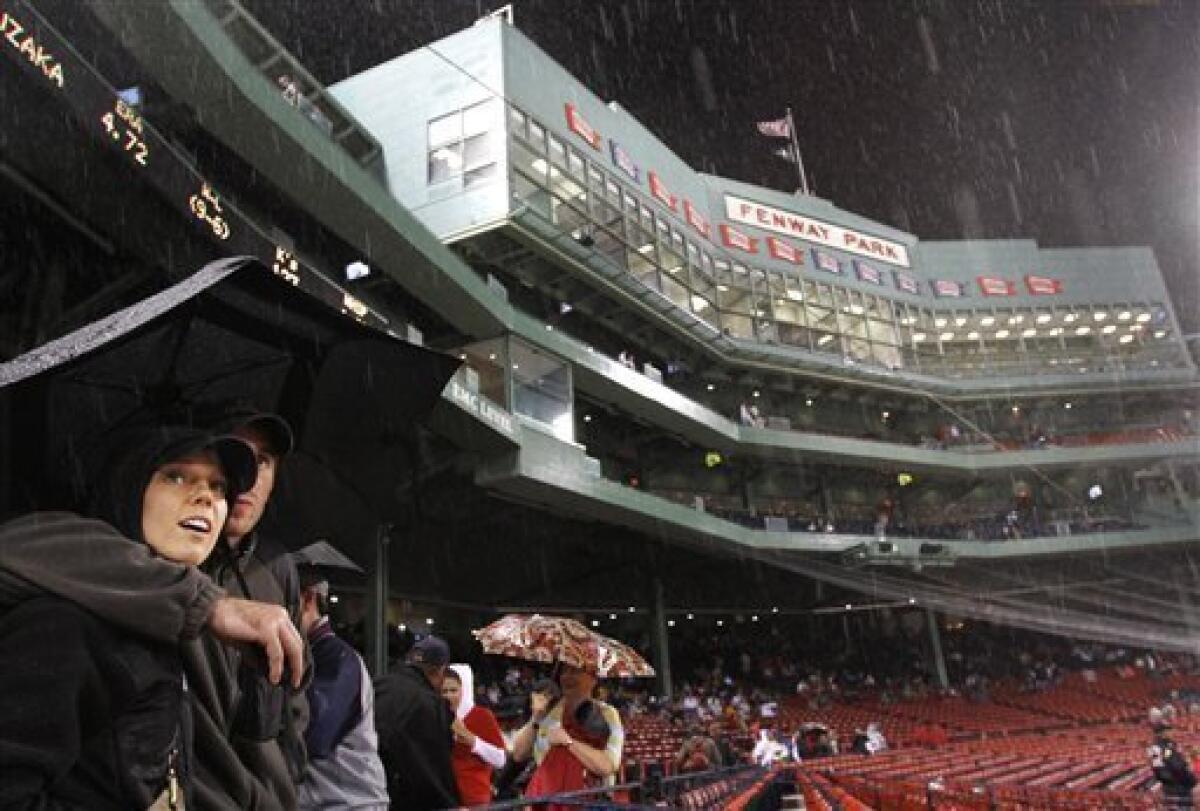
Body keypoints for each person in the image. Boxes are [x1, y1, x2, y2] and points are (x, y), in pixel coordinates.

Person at [0, 407, 311, 811]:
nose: (206, 497)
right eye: (176, 476)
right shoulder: (62, 627)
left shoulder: (257, 579)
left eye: (219, 487)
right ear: (127, 489)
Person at [296, 569, 388, 810]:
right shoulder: (312, 654)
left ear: (307, 599)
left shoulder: (336, 658)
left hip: (348, 804)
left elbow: (314, 736)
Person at [512, 663, 624, 806]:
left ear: (593, 679)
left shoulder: (607, 713)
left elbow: (608, 766)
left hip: (586, 801)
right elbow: (518, 754)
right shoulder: (547, 710)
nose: (567, 677)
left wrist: (568, 742)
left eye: (575, 671)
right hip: (546, 800)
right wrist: (536, 717)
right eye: (564, 671)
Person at [374, 635, 460, 809]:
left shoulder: (378, 685)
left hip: (363, 791)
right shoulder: (429, 704)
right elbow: (433, 771)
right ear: (441, 671)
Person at [443, 663, 507, 807]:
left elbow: (500, 758)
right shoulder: (438, 716)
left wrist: (472, 741)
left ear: (464, 690)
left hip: (475, 798)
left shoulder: (482, 716)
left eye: (453, 690)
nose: (448, 696)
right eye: (444, 691)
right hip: (447, 797)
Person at [1148, 706, 1196, 809]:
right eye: (1169, 730)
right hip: (1177, 789)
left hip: (1171, 787)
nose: (1172, 732)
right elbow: (1175, 766)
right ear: (1162, 732)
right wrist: (1191, 779)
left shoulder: (1162, 746)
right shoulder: (1165, 747)